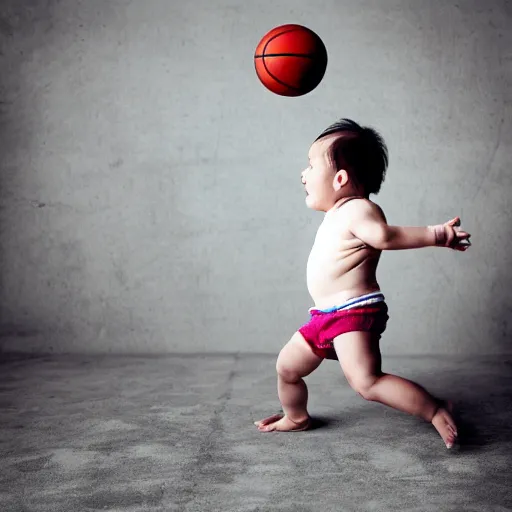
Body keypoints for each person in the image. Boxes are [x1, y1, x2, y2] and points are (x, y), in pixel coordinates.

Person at [254, 119, 471, 449]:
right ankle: (297, 417)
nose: (303, 173)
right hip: (325, 315)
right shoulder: (338, 213)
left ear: (340, 179)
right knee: (286, 367)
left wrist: (437, 234)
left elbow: (384, 236)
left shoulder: (359, 209)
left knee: (367, 382)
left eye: (311, 165)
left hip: (352, 312)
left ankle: (434, 409)